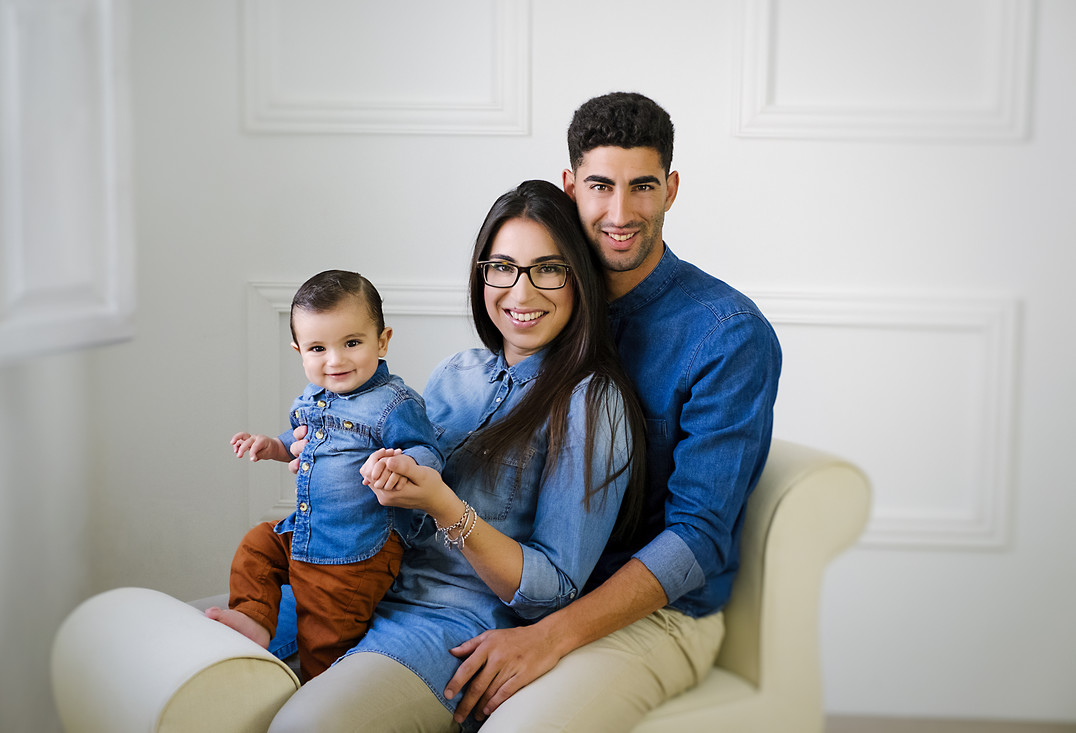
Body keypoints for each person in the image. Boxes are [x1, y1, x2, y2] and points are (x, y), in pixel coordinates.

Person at [437, 92, 783, 731]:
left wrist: (554, 636)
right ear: (570, 187)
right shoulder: (544, 299)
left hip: (656, 614)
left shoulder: (726, 335)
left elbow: (697, 539)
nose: (620, 213)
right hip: (528, 586)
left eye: (643, 186)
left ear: (671, 189)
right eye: (600, 185)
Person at [267, 180, 647, 732]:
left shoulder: (593, 402)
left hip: (447, 622)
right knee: (213, 662)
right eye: (503, 267)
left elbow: (553, 587)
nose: (521, 291)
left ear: (577, 278)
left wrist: (446, 506)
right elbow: (392, 471)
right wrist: (331, 459)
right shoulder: (456, 371)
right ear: (482, 274)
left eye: (547, 268)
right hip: (359, 576)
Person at [205, 269, 443, 681]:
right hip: (306, 530)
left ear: (382, 341)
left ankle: (321, 689)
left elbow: (427, 450)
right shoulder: (314, 397)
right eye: (318, 348)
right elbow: (299, 441)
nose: (335, 360)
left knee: (324, 633)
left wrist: (402, 465)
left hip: (355, 550)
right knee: (258, 546)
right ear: (299, 351)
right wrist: (271, 446)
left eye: (352, 343)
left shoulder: (393, 402)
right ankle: (255, 620)